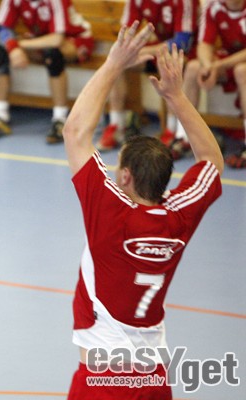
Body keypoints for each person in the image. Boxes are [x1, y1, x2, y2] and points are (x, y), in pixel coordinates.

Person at [62, 22, 223, 399]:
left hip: (102, 379)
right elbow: (211, 161)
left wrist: (114, 63)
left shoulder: (111, 211)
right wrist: (176, 96)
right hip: (153, 377)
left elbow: (75, 132)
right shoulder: (179, 215)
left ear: (126, 176)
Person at [0, 0, 94, 144]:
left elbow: (57, 40)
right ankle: (0, 116)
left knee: (53, 55)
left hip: (74, 39)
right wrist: (13, 48)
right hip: (40, 37)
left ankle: (60, 119)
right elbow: (3, 28)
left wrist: (17, 45)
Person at [96, 0, 200, 151]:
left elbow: (182, 42)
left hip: (185, 53)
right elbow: (127, 31)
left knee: (169, 62)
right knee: (118, 61)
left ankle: (172, 130)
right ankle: (117, 124)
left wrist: (141, 51)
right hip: (158, 47)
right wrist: (127, 47)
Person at [168, 0, 246, 168]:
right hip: (227, 60)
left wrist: (217, 66)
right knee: (193, 68)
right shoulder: (213, 7)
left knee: (242, 71)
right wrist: (208, 67)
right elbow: (204, 44)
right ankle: (183, 137)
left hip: (239, 63)